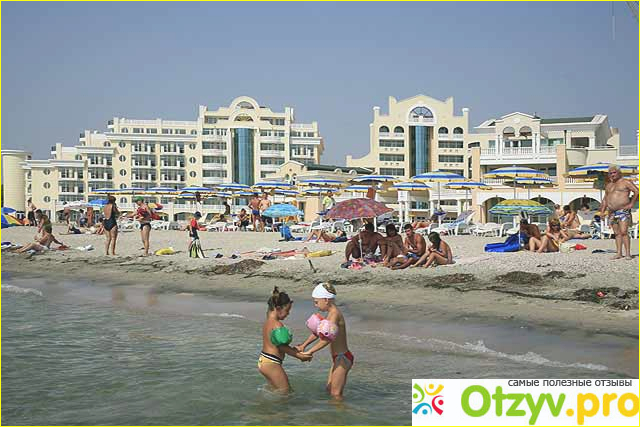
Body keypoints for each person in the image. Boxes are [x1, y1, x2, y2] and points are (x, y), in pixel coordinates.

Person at [296, 283, 353, 399]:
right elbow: (319, 333)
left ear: (326, 300)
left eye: (317, 302)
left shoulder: (334, 315)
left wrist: (310, 351)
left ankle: (343, 410)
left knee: (336, 396)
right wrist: (303, 345)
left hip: (342, 358)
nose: (315, 305)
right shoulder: (330, 314)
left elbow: (327, 339)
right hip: (338, 358)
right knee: (329, 390)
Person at [258, 287, 312, 393]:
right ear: (278, 308)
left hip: (264, 360)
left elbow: (277, 344)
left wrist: (293, 349)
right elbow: (281, 347)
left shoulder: (268, 322)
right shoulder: (277, 325)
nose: (288, 313)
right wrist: (299, 356)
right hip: (271, 363)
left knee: (275, 391)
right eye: (287, 310)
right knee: (286, 392)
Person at [601, 164, 639, 260]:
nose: (612, 175)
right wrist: (602, 211)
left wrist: (631, 204)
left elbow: (637, 191)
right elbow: (605, 199)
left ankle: (628, 254)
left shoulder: (625, 182)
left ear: (619, 173)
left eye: (614, 172)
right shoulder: (609, 185)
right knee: (617, 233)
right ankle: (619, 253)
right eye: (610, 173)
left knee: (624, 232)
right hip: (612, 212)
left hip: (623, 211)